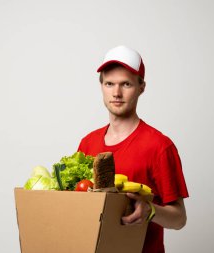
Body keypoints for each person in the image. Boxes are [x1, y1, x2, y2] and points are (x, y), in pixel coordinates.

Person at [77, 45, 189, 253]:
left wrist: (151, 211)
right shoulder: (87, 143)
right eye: (109, 83)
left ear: (141, 87)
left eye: (126, 84)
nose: (116, 93)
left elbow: (179, 219)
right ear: (101, 86)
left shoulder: (159, 146)